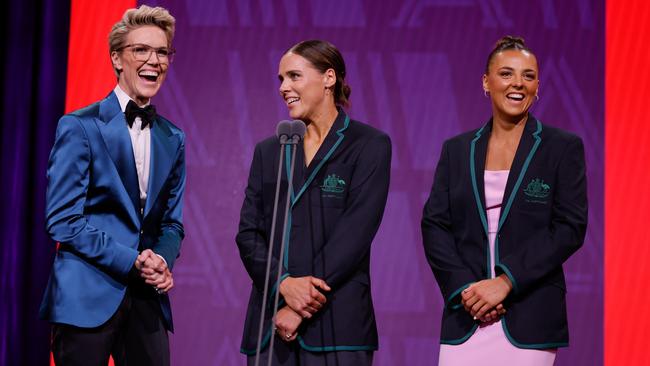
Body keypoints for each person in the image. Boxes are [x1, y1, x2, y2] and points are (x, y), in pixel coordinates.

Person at [421, 36, 587, 365]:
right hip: (466, 314)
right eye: (507, 73)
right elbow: (435, 224)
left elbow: (570, 227)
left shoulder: (562, 147)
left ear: (538, 85)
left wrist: (506, 282)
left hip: (530, 313)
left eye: (528, 76)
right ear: (486, 81)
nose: (518, 84)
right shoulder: (457, 149)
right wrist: (467, 291)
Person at [39, 5, 185, 366]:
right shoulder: (80, 126)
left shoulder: (174, 138)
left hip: (146, 302)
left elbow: (172, 222)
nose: (155, 60)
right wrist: (132, 260)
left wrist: (161, 260)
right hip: (85, 299)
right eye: (142, 50)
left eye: (163, 51)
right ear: (117, 59)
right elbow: (62, 221)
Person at [236, 39, 391, 366]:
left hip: (338, 327)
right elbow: (248, 233)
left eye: (294, 76)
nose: (284, 87)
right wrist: (282, 284)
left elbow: (356, 232)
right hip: (270, 325)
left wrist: (298, 303)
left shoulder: (369, 145)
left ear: (329, 78)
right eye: (280, 79)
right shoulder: (270, 150)